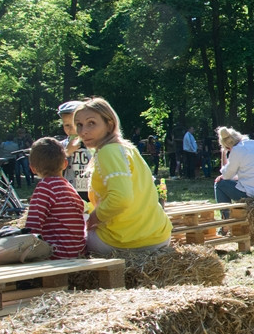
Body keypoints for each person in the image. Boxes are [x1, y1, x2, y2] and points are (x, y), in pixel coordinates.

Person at [74, 97, 171, 255]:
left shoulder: (108, 151)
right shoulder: (128, 148)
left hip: (124, 241)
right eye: (79, 125)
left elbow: (121, 197)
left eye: (91, 123)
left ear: (109, 124)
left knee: (70, 239)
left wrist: (92, 219)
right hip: (159, 237)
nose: (83, 131)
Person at [25, 137, 86, 259]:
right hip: (78, 253)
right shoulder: (70, 188)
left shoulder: (45, 187)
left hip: (57, 255)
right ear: (65, 163)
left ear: (32, 168)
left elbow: (32, 228)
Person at [57, 102, 92, 201]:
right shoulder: (60, 146)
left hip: (92, 193)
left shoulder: (95, 144)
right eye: (67, 125)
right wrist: (66, 152)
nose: (71, 129)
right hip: (69, 194)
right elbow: (53, 172)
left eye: (75, 125)